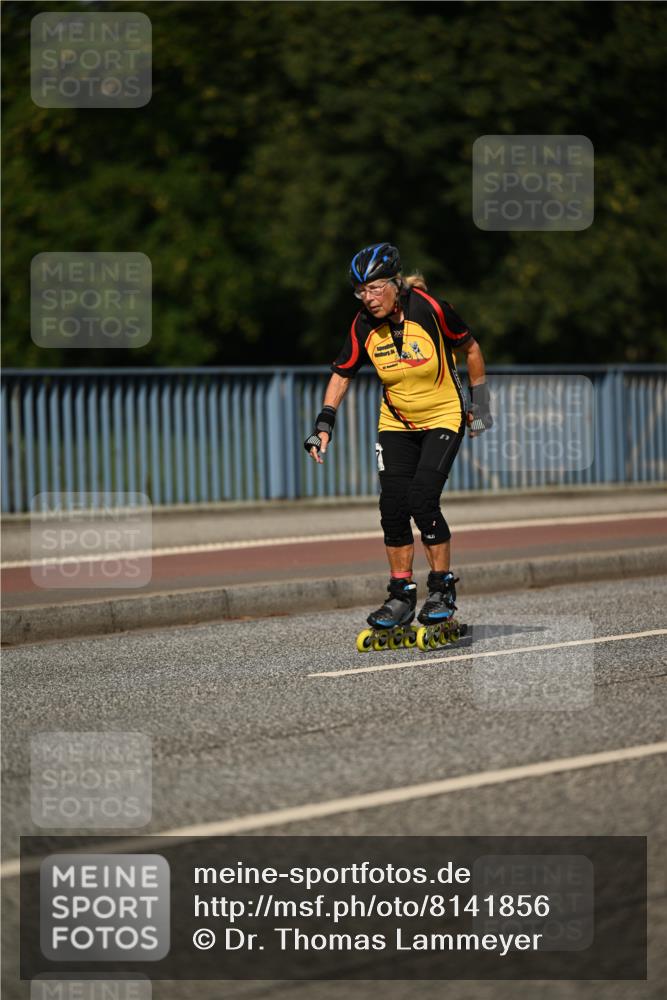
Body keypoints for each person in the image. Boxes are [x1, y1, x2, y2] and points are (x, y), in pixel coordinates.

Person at [304, 242, 492, 637]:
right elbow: (342, 373)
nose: (368, 298)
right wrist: (324, 425)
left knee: (422, 499)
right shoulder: (362, 325)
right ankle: (401, 596)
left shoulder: (431, 309)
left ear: (395, 284)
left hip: (443, 415)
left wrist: (480, 405)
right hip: (396, 421)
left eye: (374, 288)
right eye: (360, 291)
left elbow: (471, 349)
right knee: (392, 506)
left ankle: (441, 590)